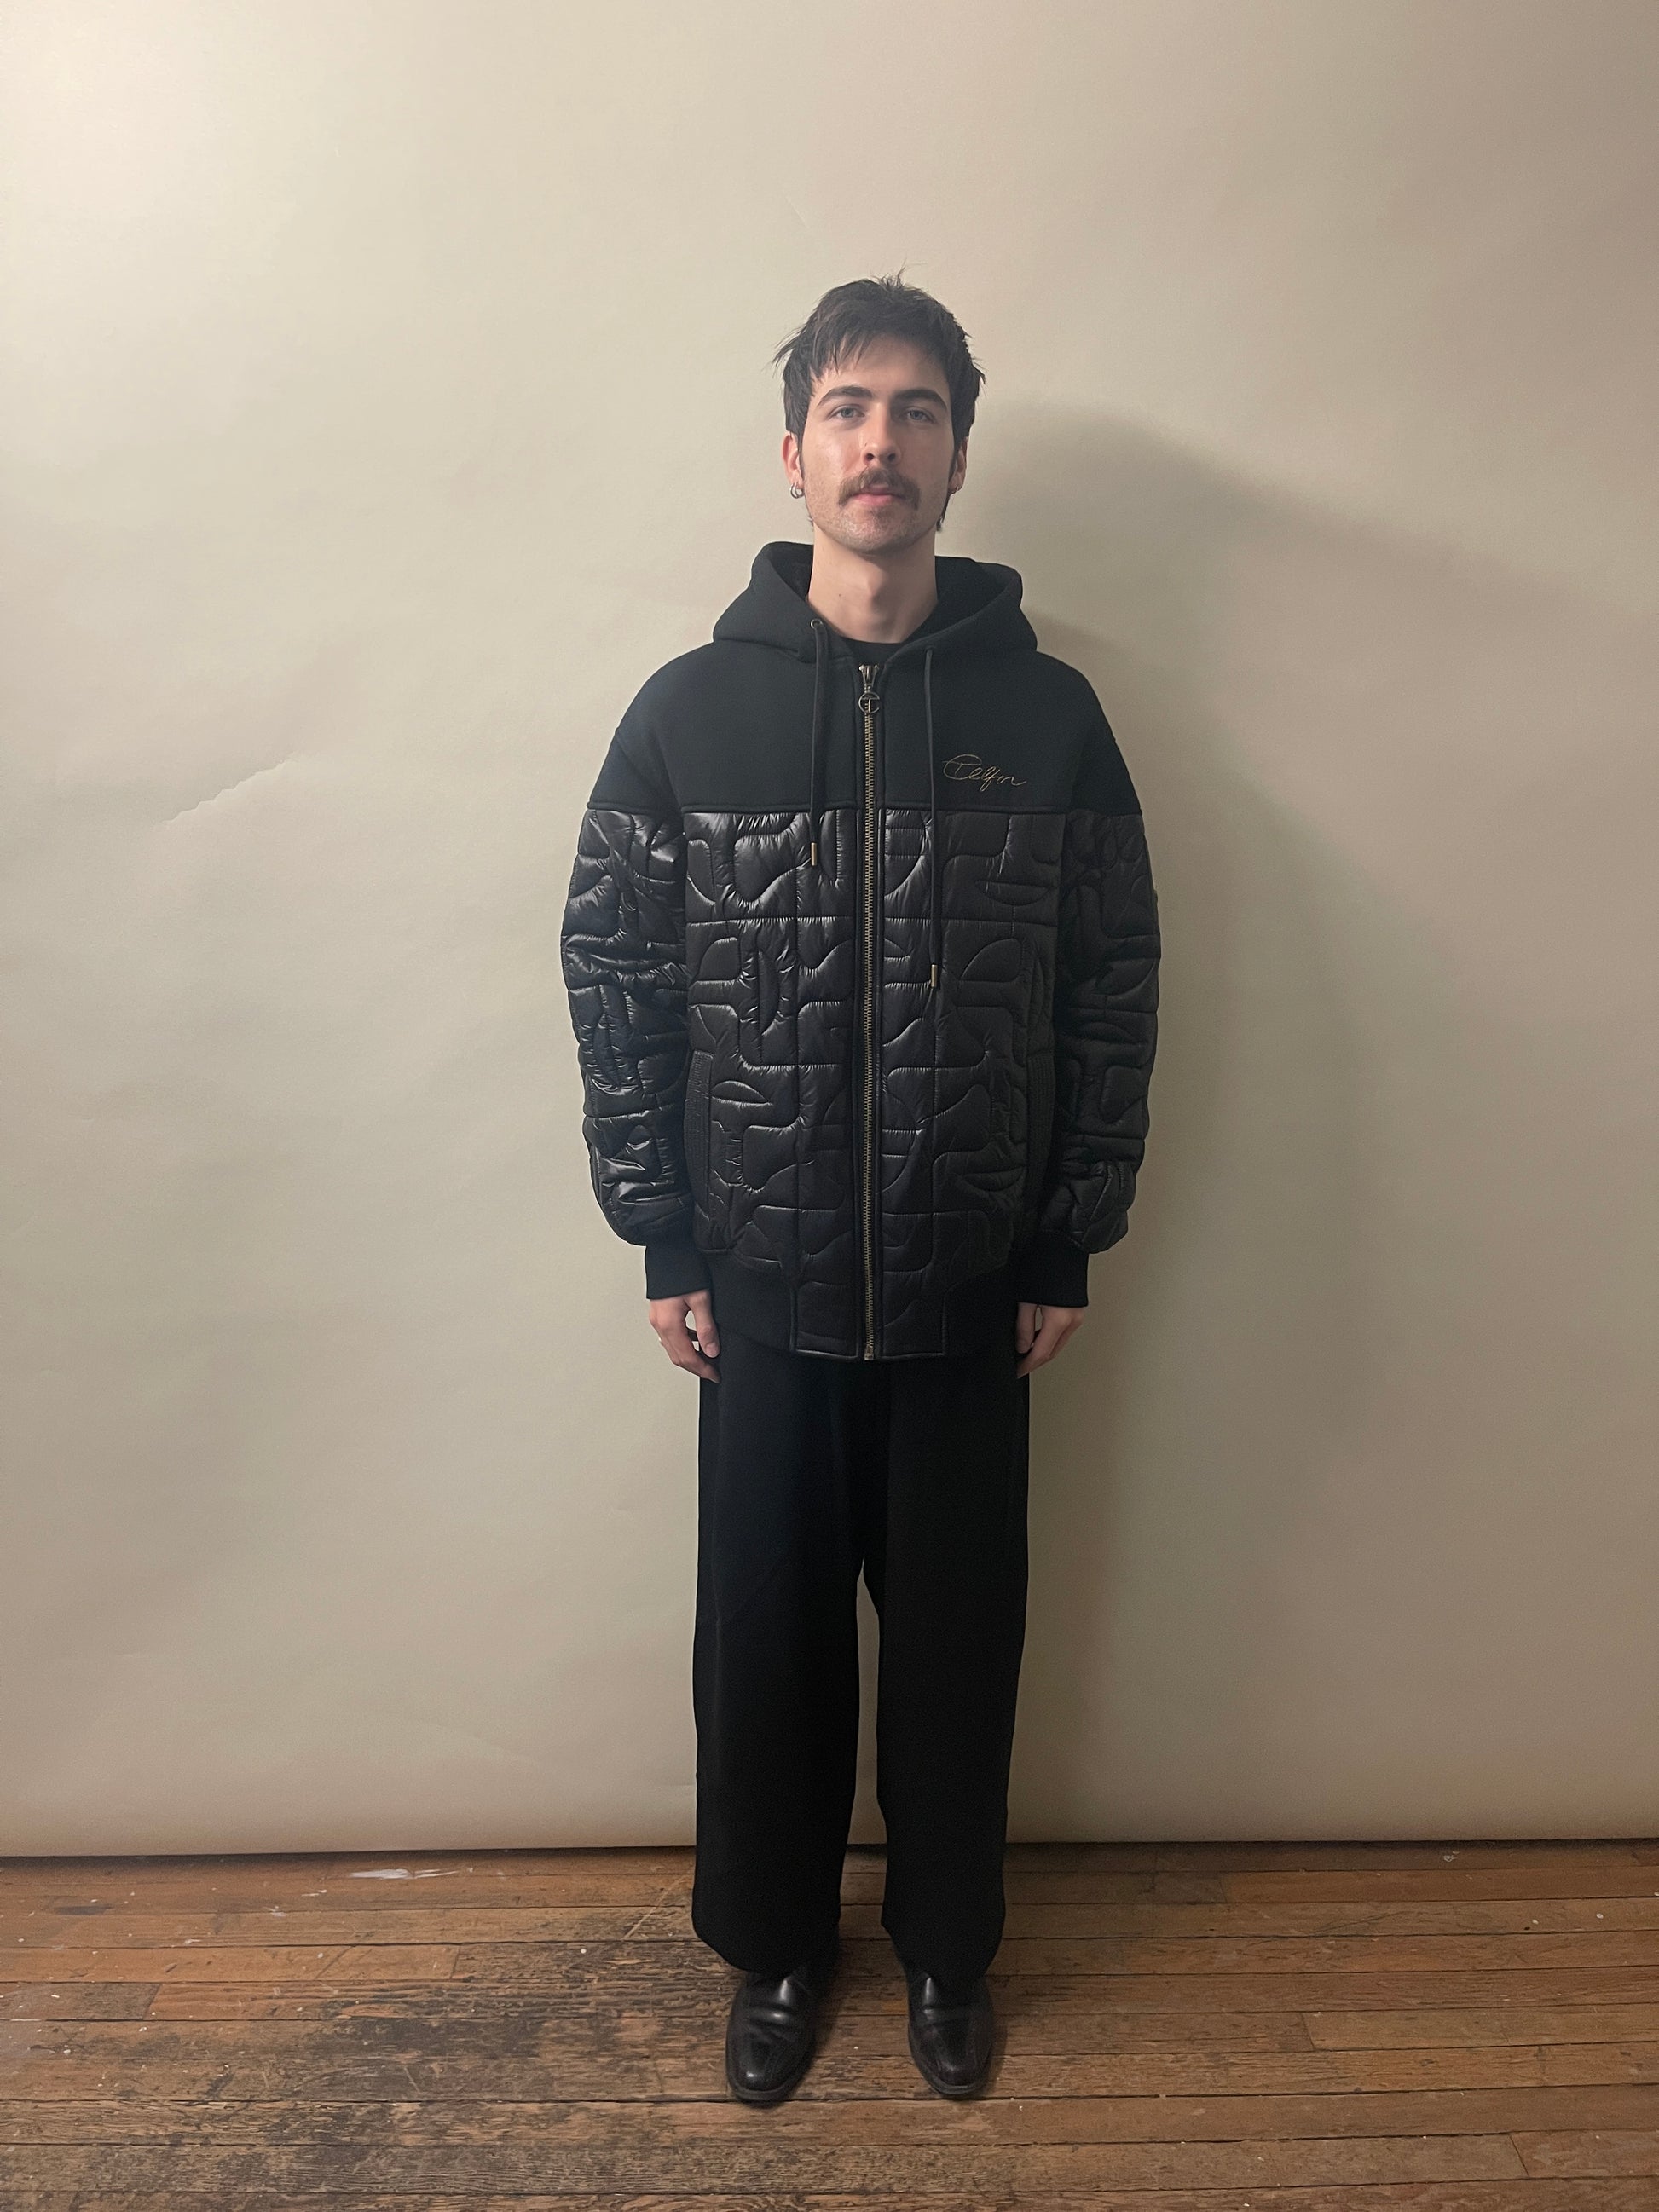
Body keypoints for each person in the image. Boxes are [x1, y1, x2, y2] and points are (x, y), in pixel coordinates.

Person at [561, 274, 1160, 2103]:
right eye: (846, 407)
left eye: (914, 409)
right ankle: (773, 1949)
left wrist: (1065, 1229)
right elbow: (617, 978)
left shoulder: (1049, 718)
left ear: (957, 456)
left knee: (961, 1650)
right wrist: (664, 1228)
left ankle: (948, 1950)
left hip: (975, 1288)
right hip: (758, 1291)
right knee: (763, 1651)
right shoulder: (687, 715)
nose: (879, 441)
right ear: (793, 452)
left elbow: (1110, 982)